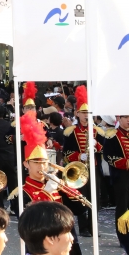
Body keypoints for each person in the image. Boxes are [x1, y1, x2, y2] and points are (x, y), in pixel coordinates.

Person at [12, 110, 83, 255]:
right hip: (42, 247)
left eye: (44, 162)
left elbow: (80, 209)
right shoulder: (20, 193)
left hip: (68, 243)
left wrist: (67, 188)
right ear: (26, 164)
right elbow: (28, 223)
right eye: (36, 162)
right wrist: (46, 192)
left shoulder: (56, 183)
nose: (41, 166)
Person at [61, 86, 100, 237]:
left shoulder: (96, 130)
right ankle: (83, 227)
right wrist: (79, 156)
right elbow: (66, 153)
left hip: (93, 167)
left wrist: (98, 146)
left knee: (94, 197)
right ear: (77, 114)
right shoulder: (71, 132)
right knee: (81, 198)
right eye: (83, 113)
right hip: (79, 168)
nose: (86, 116)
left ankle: (93, 226)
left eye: (88, 113)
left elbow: (104, 147)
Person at [104, 114, 129, 253]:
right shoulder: (112, 135)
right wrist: (125, 163)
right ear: (119, 119)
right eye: (125, 117)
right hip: (121, 177)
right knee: (123, 207)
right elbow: (108, 156)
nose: (128, 119)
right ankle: (123, 237)